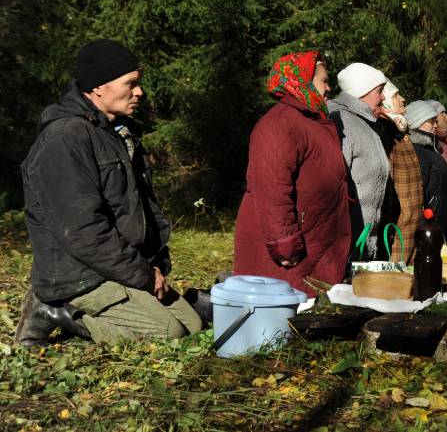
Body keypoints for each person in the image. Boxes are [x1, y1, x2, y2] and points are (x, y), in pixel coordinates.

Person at [17, 39, 201, 345]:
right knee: (167, 333)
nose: (139, 91)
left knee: (192, 325)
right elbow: (83, 231)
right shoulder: (66, 139)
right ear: (98, 87)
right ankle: (52, 311)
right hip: (78, 273)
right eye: (130, 83)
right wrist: (142, 275)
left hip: (117, 265)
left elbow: (136, 209)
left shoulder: (117, 132)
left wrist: (150, 265)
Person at [233, 51, 353, 298]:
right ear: (303, 82)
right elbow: (272, 191)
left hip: (316, 240)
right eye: (324, 81)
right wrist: (285, 245)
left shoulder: (315, 123)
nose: (328, 88)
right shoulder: (279, 124)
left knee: (307, 319)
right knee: (279, 322)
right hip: (291, 251)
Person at [328, 63, 390, 260]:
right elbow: (335, 182)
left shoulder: (367, 123)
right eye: (379, 91)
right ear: (362, 91)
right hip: (346, 241)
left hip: (366, 239)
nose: (383, 97)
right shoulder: (343, 121)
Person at [374, 81, 424, 263]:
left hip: (409, 233)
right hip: (395, 236)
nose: (403, 99)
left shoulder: (399, 130)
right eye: (396, 95)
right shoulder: (384, 132)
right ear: (385, 100)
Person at [404, 101, 447, 235]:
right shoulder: (415, 151)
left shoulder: (430, 148)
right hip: (427, 228)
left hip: (438, 226)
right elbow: (417, 194)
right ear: (417, 121)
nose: (436, 125)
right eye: (431, 121)